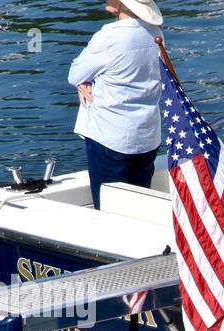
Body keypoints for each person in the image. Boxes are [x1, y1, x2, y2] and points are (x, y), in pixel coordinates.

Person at [68, 1, 165, 209]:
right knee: (139, 208)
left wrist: (84, 81)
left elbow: (75, 73)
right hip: (146, 137)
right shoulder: (155, 34)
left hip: (110, 138)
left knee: (110, 211)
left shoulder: (109, 36)